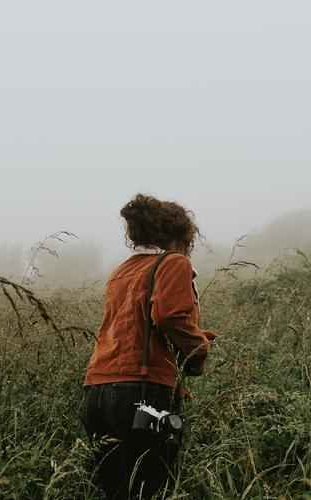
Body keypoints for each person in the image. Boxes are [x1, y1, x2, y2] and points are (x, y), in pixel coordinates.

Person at [82, 193, 217, 500]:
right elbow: (169, 315)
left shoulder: (122, 271)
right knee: (155, 484)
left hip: (97, 394)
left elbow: (136, 326)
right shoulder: (174, 262)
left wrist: (190, 337)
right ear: (178, 236)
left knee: (114, 489)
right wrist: (198, 350)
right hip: (143, 394)